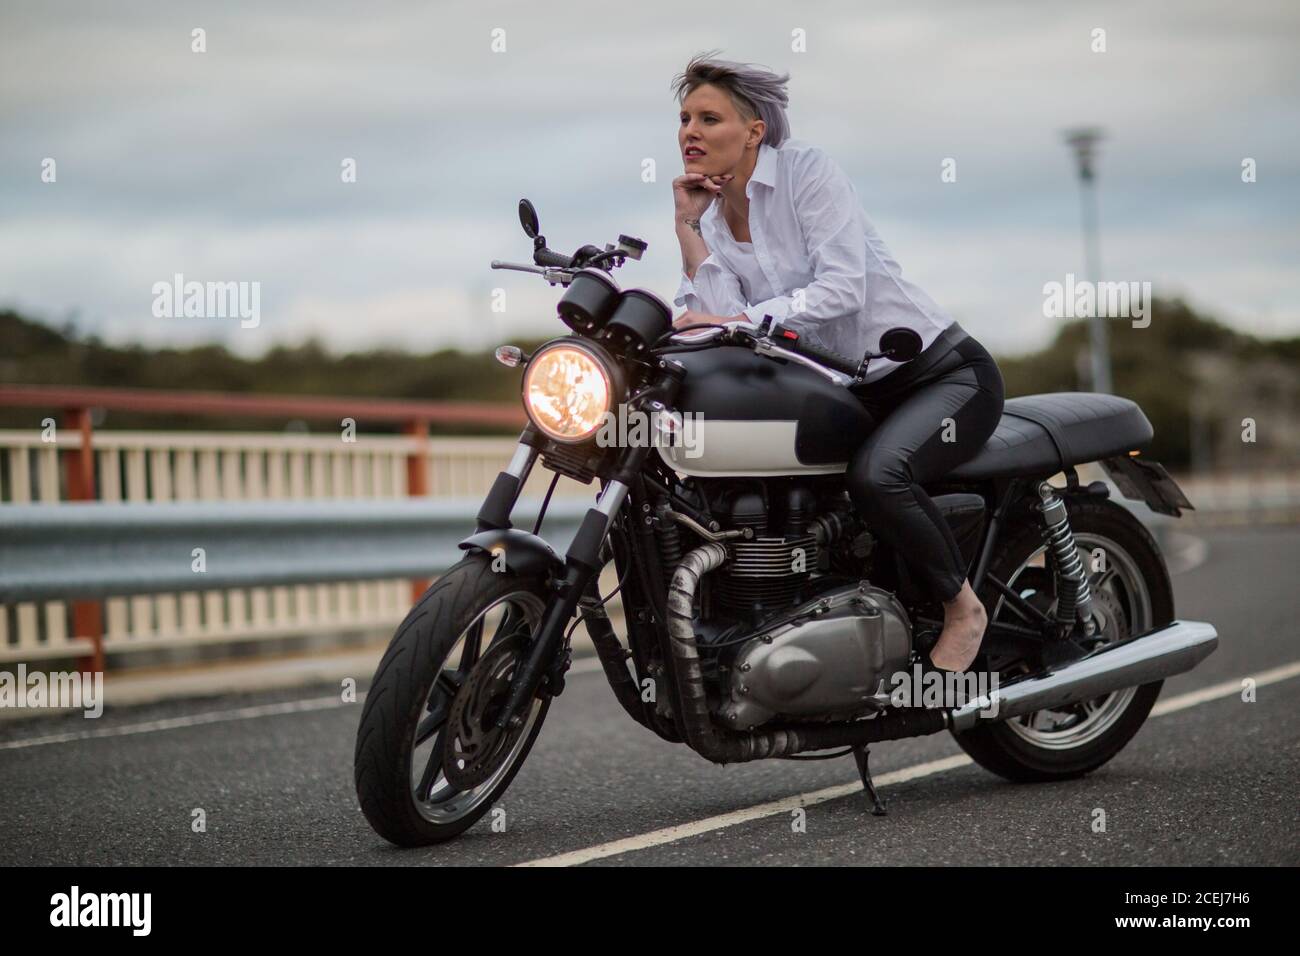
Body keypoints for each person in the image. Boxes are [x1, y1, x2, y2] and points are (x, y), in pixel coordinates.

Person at [669, 52, 1005, 674]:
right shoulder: (711, 216)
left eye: (708, 118)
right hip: (852, 392)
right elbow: (712, 314)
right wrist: (688, 227)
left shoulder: (806, 172)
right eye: (685, 118)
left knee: (879, 478)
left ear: (754, 131)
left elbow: (843, 287)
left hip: (936, 375)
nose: (690, 131)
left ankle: (964, 608)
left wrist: (739, 321)